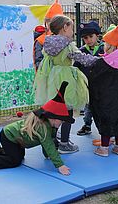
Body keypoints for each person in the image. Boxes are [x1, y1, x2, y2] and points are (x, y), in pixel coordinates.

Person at [0, 81, 72, 176]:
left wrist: (48, 155)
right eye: (61, 119)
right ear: (53, 118)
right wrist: (60, 165)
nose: (63, 122)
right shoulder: (43, 127)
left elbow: (49, 142)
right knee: (15, 161)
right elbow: (48, 144)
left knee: (20, 155)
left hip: (18, 141)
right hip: (8, 137)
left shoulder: (52, 126)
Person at [34, 15, 98, 154]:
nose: (73, 32)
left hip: (52, 79)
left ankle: (51, 142)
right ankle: (64, 142)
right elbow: (82, 58)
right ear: (64, 28)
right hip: (66, 80)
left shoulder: (48, 43)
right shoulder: (67, 45)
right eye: (71, 28)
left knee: (55, 110)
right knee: (67, 110)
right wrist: (97, 60)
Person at [87, 25, 118, 157]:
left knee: (105, 120)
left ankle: (104, 148)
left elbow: (93, 79)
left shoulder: (102, 63)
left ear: (109, 45)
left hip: (105, 99)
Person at [74, 22, 104, 136]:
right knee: (88, 108)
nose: (89, 40)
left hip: (101, 86)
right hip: (87, 86)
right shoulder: (81, 51)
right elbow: (76, 66)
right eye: (85, 38)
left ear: (97, 35)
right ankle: (87, 125)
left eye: (91, 36)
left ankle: (104, 128)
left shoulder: (104, 49)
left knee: (102, 108)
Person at [33, 0, 63, 71]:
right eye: (50, 21)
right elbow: (38, 61)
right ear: (46, 23)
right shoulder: (41, 40)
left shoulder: (65, 38)